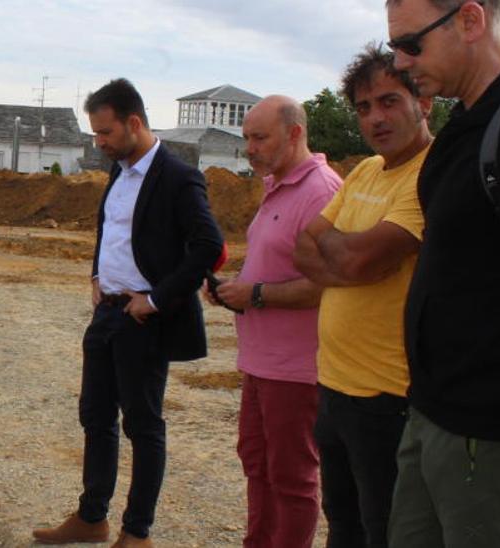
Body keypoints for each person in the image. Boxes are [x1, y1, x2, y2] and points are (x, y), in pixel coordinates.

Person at [382, 1, 500, 546]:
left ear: (469, 20)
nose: (399, 60)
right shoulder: (471, 124)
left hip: (492, 429)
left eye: (411, 43)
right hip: (436, 413)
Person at [32, 78, 223, 548]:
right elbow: (112, 231)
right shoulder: (118, 172)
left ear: (133, 123)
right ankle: (91, 518)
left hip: (144, 320)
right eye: (95, 134)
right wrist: (96, 275)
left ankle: (136, 533)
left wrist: (156, 299)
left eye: (105, 133)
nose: (99, 143)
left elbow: (209, 246)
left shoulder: (178, 177)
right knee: (95, 417)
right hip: (107, 315)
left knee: (143, 425)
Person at [292, 43, 433, 548]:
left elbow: (339, 254)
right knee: (342, 522)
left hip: (388, 395)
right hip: (334, 383)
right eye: (364, 107)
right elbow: (303, 246)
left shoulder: (428, 176)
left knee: (385, 528)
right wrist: (352, 262)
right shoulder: (369, 170)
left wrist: (343, 256)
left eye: (390, 101)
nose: (376, 118)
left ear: (425, 104)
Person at [205, 95, 338, 548]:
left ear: (295, 133)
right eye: (246, 138)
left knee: (292, 477)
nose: (250, 148)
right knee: (258, 464)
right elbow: (275, 265)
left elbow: (329, 284)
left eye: (259, 137)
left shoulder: (321, 191)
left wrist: (255, 294)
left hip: (297, 369)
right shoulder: (276, 186)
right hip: (262, 362)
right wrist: (235, 289)